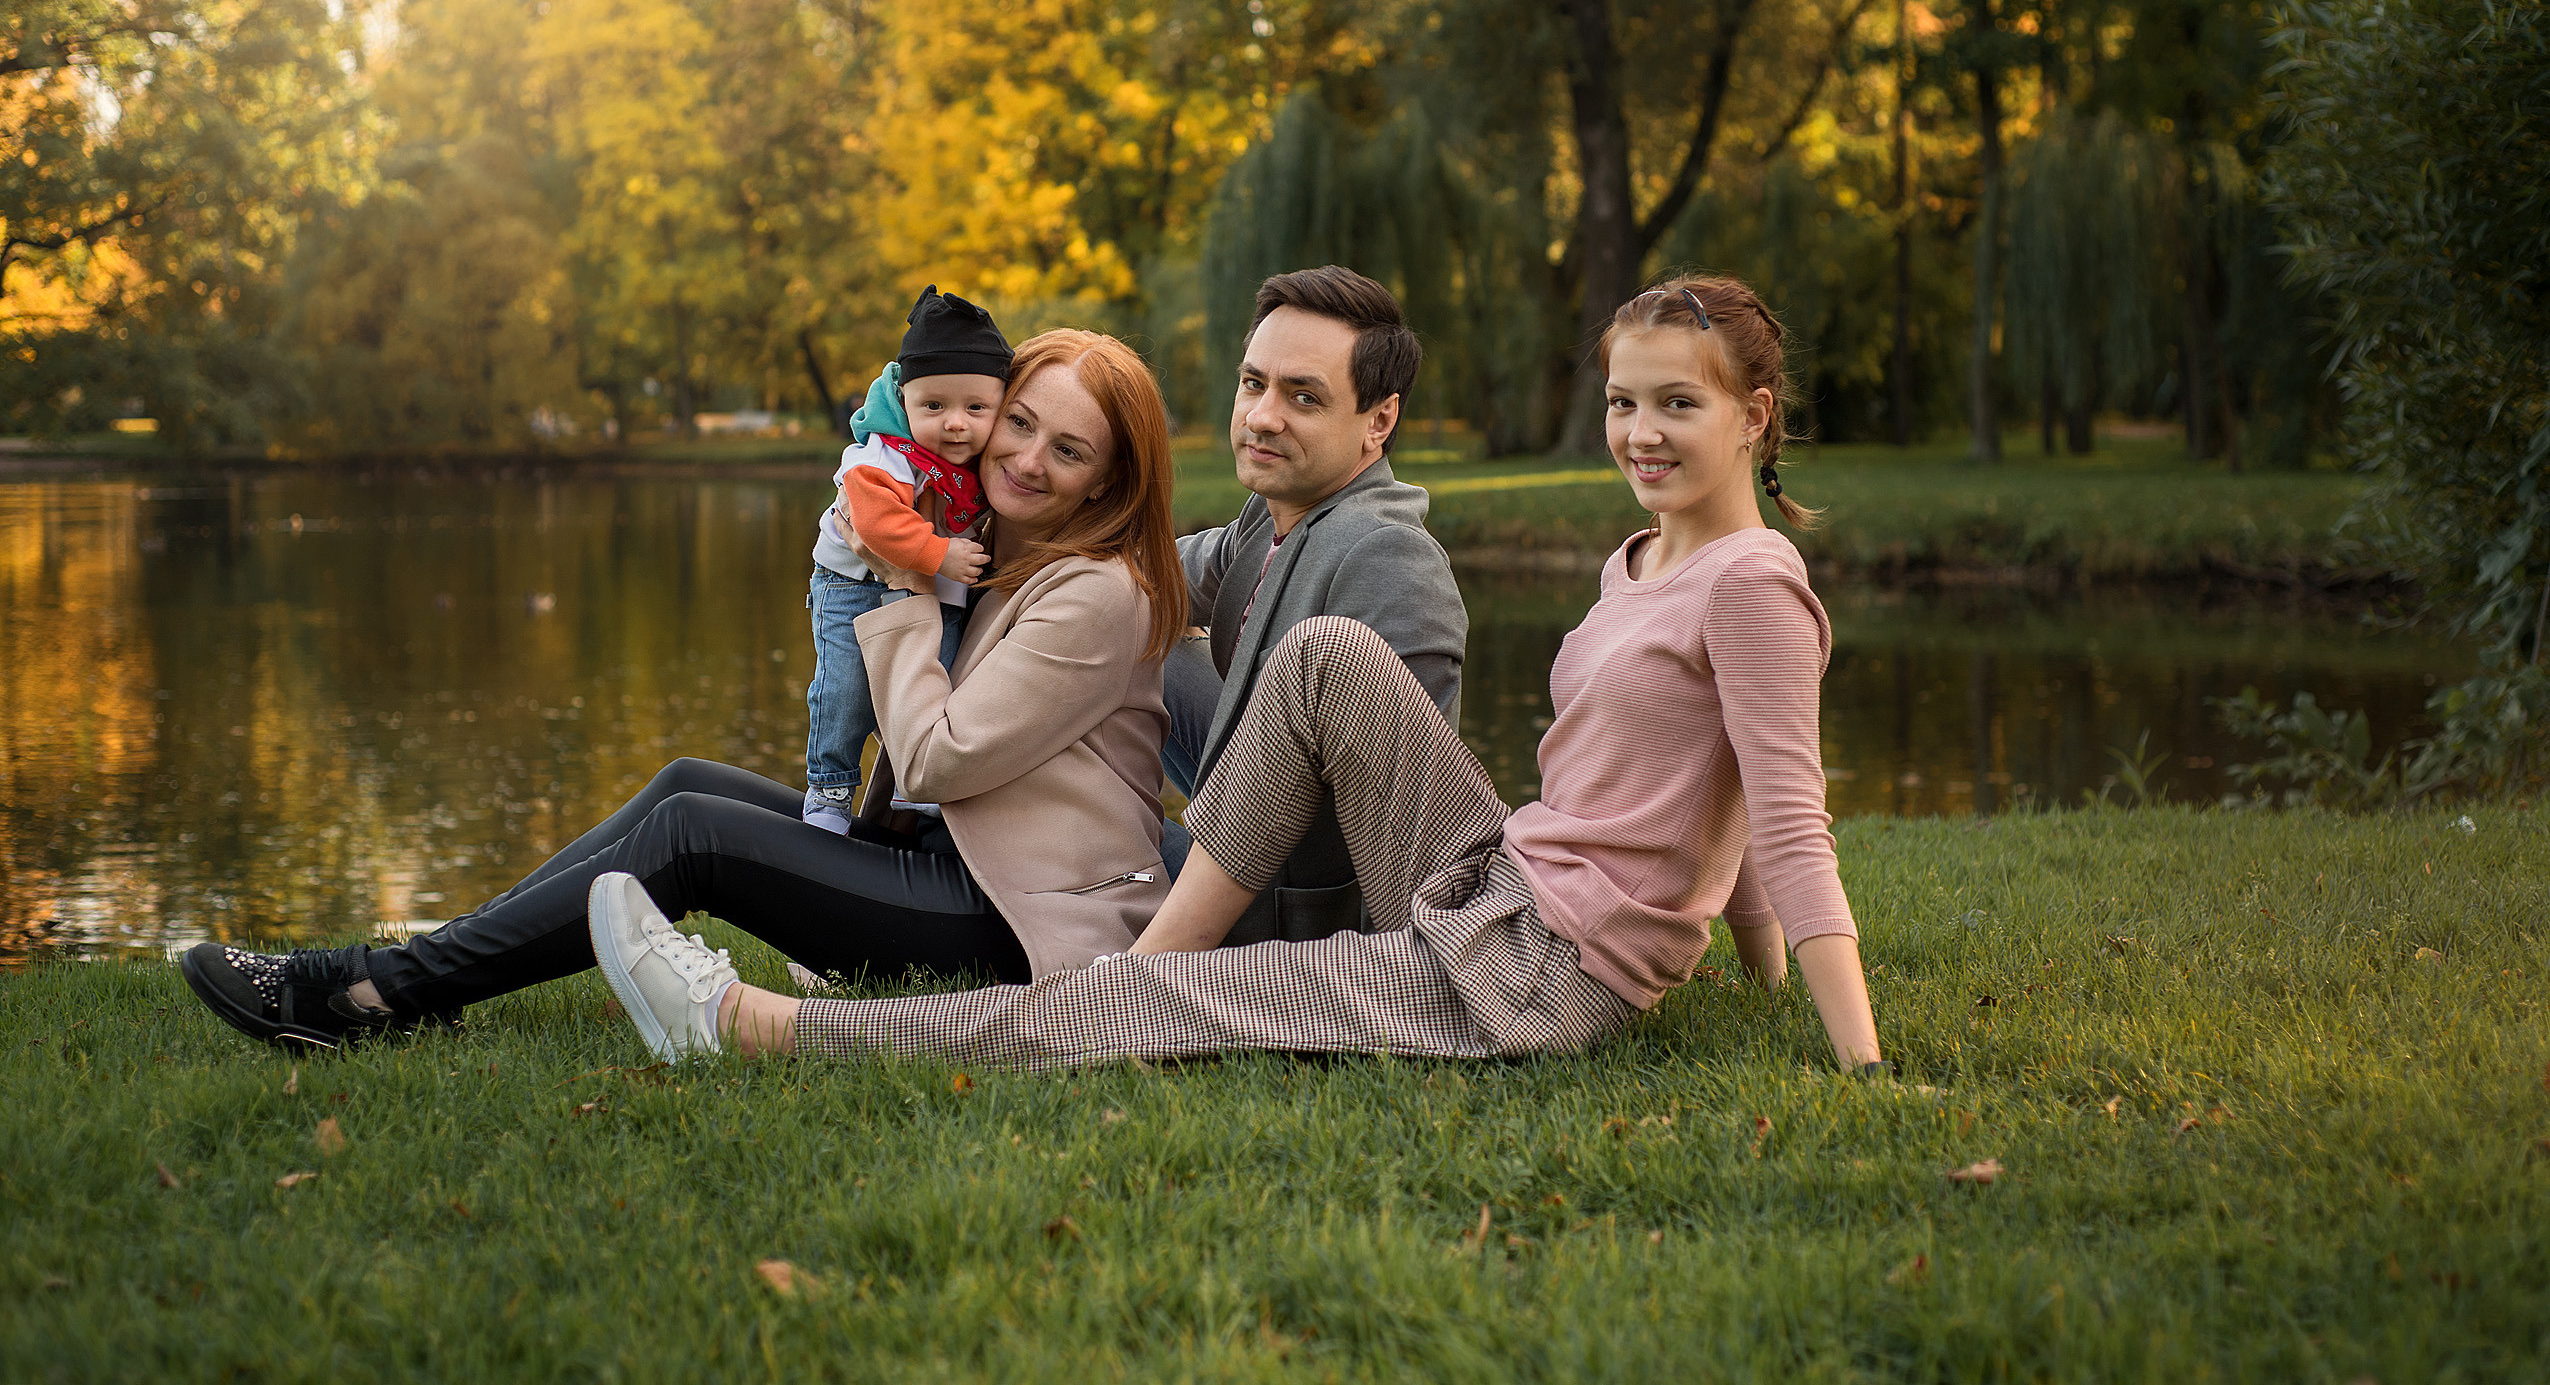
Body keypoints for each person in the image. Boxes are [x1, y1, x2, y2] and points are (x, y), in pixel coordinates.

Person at [586, 273, 1886, 1078]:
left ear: (1753, 415)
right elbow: (1713, 792)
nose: (1639, 433)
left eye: (1676, 406)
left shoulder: (1750, 584)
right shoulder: (1646, 558)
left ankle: (750, 1025)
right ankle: (1113, 972)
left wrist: (1859, 1066)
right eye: (1622, 402)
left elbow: (1785, 815)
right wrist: (1751, 972)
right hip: (1503, 880)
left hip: (1540, 973)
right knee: (1320, 654)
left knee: (1144, 1004)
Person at [177, 331, 1188, 1049]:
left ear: (1108, 479)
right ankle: (438, 969)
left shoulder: (1097, 593)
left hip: (1010, 920)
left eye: (1068, 450)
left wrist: (904, 587)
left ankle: (364, 994)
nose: (1025, 458)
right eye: (1020, 422)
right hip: (950, 861)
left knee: (696, 835)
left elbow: (932, 758)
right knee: (685, 781)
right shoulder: (1005, 543)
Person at [1162, 266, 1468, 944]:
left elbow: (1412, 814)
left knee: (1072, 835)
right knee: (1141, 633)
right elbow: (1153, 577)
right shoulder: (1274, 513)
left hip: (1303, 920)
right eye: (1253, 384)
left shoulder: (1388, 556)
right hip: (1243, 834)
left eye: (1303, 397)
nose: (1261, 417)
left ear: (1378, 420)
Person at [803, 287, 1011, 831]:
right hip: (853, 584)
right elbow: (875, 524)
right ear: (904, 399)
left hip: (937, 585)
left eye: (976, 408)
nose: (956, 423)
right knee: (846, 690)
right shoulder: (887, 452)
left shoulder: (982, 462)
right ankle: (828, 791)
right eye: (933, 406)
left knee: (936, 678)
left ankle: (914, 782)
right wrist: (939, 553)